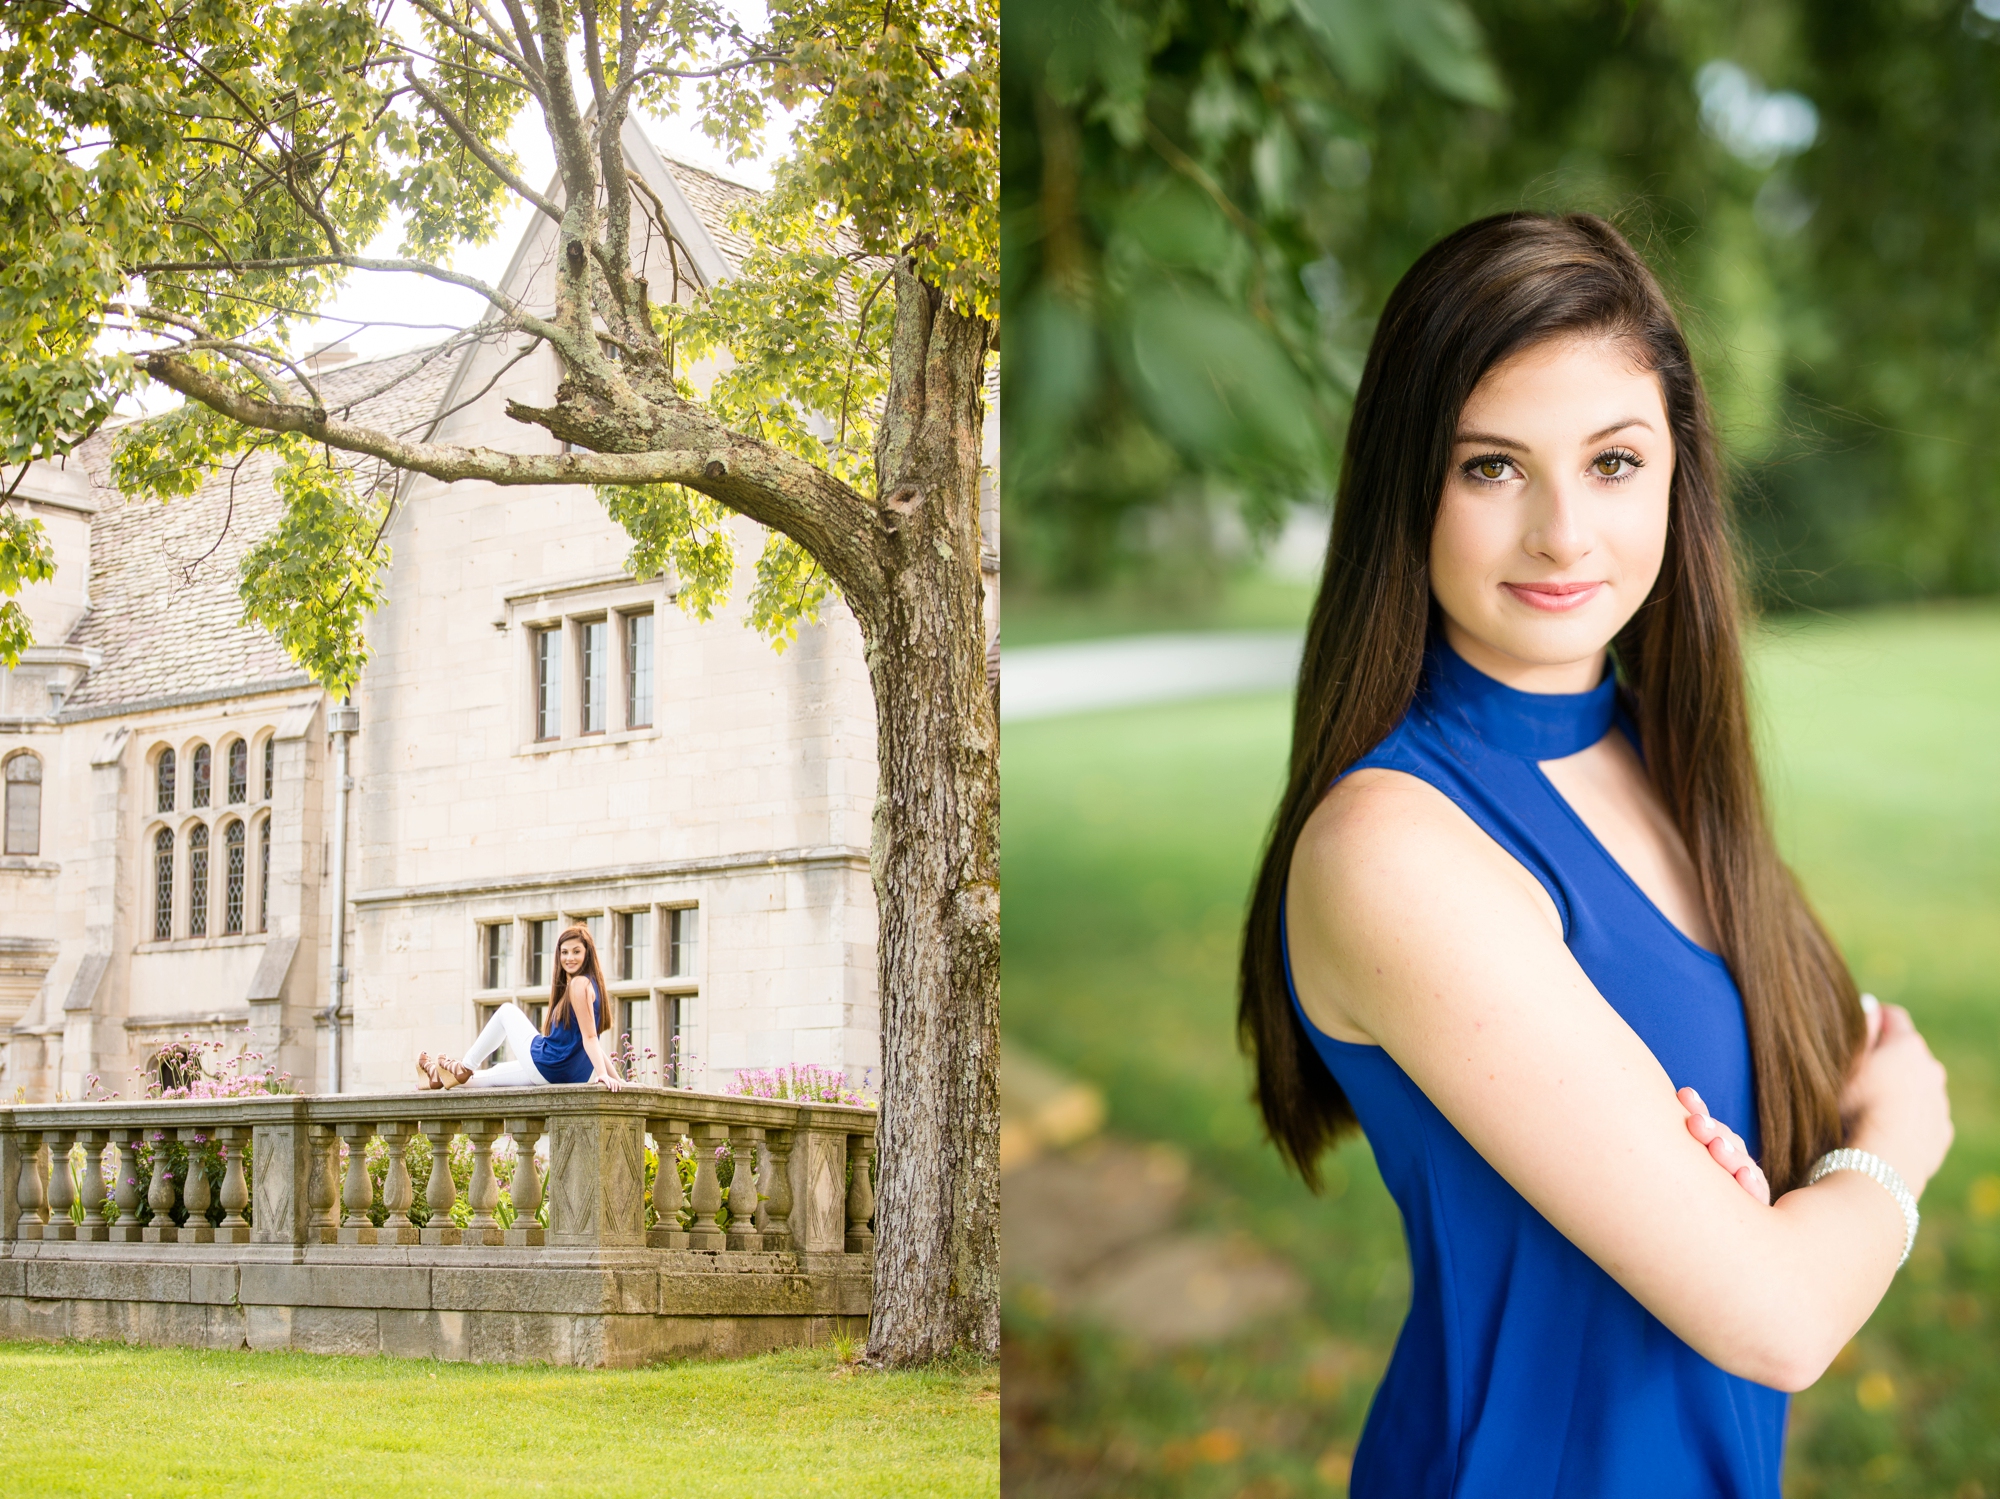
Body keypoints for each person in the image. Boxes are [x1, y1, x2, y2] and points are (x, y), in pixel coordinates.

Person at [1237, 213, 1952, 1497]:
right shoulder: (1388, 845)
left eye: (1613, 461)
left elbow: (1770, 1169)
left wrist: (1769, 1200)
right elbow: (1780, 1316)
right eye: (1491, 467)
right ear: (1407, 484)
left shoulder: (1656, 750)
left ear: (1677, 469)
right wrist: (1890, 1143)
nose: (1563, 533)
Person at [418, 924, 624, 1090]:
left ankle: (465, 1066)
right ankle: (436, 1076)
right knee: (493, 1075)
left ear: (588, 954)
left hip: (551, 1065)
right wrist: (620, 1081)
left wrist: (603, 1076)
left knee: (507, 1011)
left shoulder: (579, 984)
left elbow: (589, 1038)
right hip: (566, 1074)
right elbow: (592, 1039)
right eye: (564, 952)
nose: (569, 958)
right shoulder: (590, 985)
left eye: (576, 951)